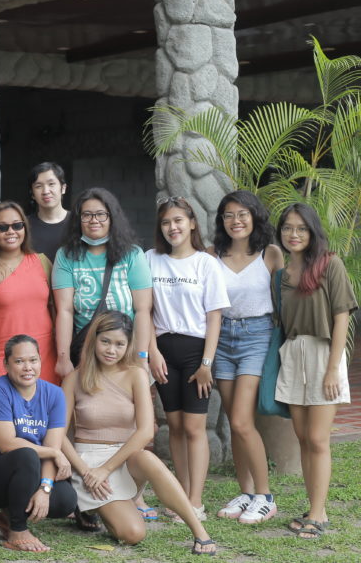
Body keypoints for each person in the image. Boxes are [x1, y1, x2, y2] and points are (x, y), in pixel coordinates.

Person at [62, 311, 218, 555]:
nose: (111, 350)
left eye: (119, 344)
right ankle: (90, 508)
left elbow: (145, 431)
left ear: (128, 346)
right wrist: (86, 471)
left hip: (123, 458)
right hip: (88, 462)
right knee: (134, 534)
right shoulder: (74, 379)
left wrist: (107, 469)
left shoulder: (136, 375)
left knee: (145, 457)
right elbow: (58, 434)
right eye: (105, 342)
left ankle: (200, 532)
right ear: (94, 340)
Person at [275, 203, 357, 540]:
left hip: (324, 354)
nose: (293, 234)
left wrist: (333, 369)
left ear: (312, 231)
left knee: (319, 439)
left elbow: (342, 317)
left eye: (301, 228)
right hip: (293, 354)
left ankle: (319, 513)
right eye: (288, 228)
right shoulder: (282, 274)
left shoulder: (330, 264)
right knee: (303, 438)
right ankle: (312, 506)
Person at [145, 196, 230, 523]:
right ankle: (181, 493)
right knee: (176, 427)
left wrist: (207, 364)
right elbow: (146, 311)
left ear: (192, 223)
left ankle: (195, 501)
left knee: (195, 427)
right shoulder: (151, 259)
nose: (172, 227)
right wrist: (151, 352)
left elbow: (215, 318)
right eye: (166, 222)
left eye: (178, 221)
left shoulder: (206, 263)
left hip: (197, 353)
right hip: (164, 352)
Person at [209, 190, 283, 523]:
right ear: (221, 221)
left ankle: (265, 497)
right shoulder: (211, 255)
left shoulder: (271, 254)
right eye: (228, 215)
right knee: (234, 420)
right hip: (222, 337)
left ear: (254, 217)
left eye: (242, 214)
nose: (236, 221)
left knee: (241, 420)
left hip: (257, 337)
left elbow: (283, 301)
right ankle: (246, 492)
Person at [0, 335, 76, 552]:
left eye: (33, 360)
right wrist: (53, 453)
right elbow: (7, 444)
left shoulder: (54, 394)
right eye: (19, 361)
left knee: (64, 500)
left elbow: (52, 446)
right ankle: (17, 530)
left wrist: (45, 488)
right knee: (26, 454)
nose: (28, 367)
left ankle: (7, 515)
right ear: (6, 364)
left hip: (29, 471)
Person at [52, 187, 154, 377]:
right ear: (78, 219)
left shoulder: (132, 254)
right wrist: (63, 358)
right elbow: (65, 310)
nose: (93, 220)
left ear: (112, 217)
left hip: (126, 351)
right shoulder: (66, 256)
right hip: (87, 352)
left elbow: (142, 310)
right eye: (87, 215)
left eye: (100, 214)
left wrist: (141, 358)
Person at [0, 201, 59, 393]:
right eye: (2, 227)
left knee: (47, 421)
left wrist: (62, 357)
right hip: (3, 361)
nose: (11, 231)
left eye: (17, 225)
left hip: (44, 359)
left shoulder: (42, 262)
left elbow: (55, 312)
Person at [25, 162, 70, 262]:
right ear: (32, 194)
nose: (45, 191)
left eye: (51, 184)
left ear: (63, 188)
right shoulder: (23, 226)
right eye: (38, 186)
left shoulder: (78, 222)